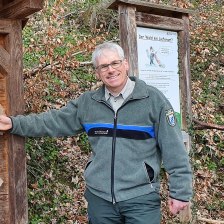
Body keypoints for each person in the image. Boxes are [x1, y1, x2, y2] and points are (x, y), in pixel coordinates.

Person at [0, 42, 192, 224]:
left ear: (125, 64)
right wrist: (14, 123)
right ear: (97, 72)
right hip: (100, 200)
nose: (110, 70)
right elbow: (52, 121)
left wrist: (180, 192)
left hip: (141, 197)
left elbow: (174, 148)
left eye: (115, 63)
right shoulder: (88, 103)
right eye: (103, 66)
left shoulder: (153, 100)